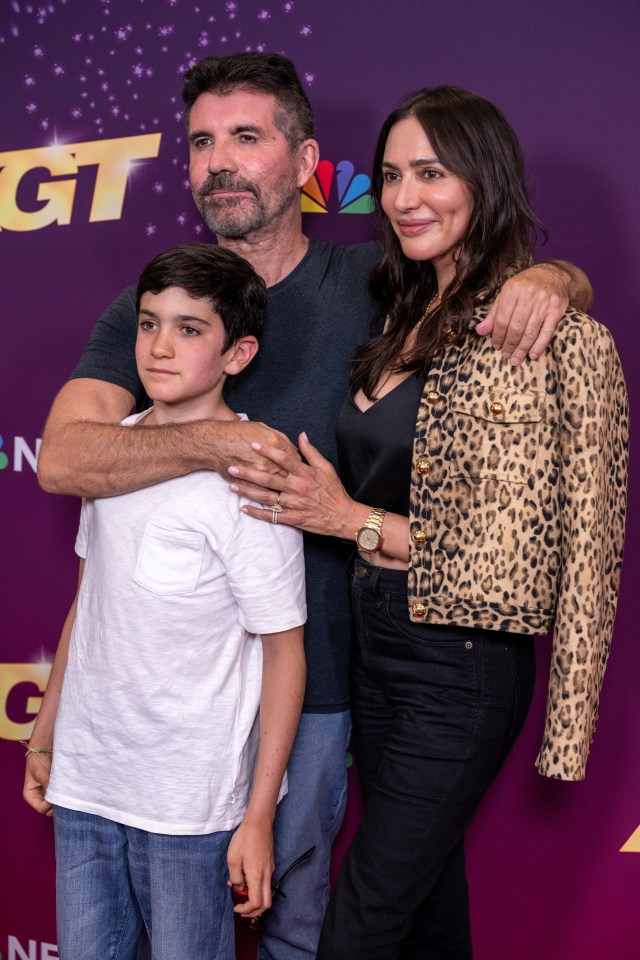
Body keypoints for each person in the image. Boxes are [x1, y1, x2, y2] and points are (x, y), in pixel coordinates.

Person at [34, 53, 594, 960]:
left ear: (304, 163)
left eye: (247, 138)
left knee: (305, 919)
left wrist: (558, 277)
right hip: (169, 707)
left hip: (328, 680)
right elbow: (64, 459)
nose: (220, 160)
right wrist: (225, 440)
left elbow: (474, 280)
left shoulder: (376, 288)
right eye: (201, 142)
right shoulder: (159, 310)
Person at [228, 86, 629, 959]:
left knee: (362, 920)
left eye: (433, 172)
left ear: (483, 180)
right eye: (392, 175)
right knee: (426, 905)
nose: (406, 198)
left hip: (466, 665)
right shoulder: (390, 307)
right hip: (378, 649)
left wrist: (348, 518)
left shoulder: (559, 340)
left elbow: (564, 559)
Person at [23, 243, 307, 960]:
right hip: (87, 783)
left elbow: (284, 652)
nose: (159, 346)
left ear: (237, 352)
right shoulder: (109, 454)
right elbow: (89, 605)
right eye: (150, 324)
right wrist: (48, 733)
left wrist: (258, 817)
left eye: (189, 329)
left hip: (189, 801)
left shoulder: (251, 479)